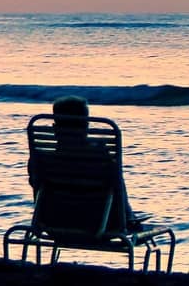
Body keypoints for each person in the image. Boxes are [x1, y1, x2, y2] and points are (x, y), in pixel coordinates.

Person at [49, 95, 143, 230]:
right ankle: (129, 219)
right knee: (116, 179)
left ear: (54, 128)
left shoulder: (41, 159)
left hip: (53, 226)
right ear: (86, 125)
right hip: (98, 227)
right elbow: (116, 189)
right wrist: (127, 219)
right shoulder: (99, 155)